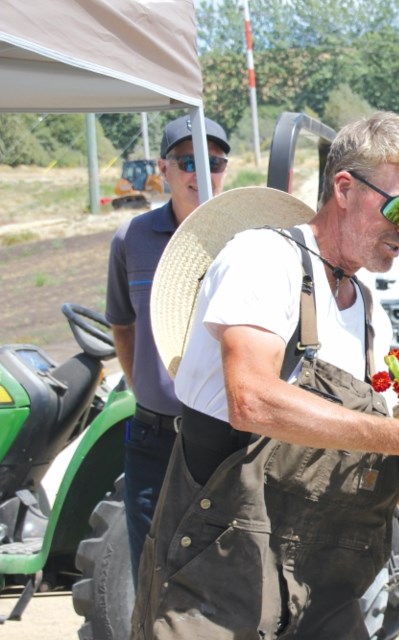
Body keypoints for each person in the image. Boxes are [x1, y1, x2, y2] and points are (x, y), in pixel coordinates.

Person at [131, 111, 399, 640]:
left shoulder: (370, 312)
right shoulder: (264, 259)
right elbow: (253, 400)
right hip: (219, 576)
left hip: (319, 585)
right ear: (345, 188)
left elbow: (355, 458)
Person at [104, 113, 230, 582]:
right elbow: (123, 326)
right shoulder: (131, 238)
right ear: (164, 169)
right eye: (188, 160)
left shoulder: (246, 240)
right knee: (151, 577)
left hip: (224, 436)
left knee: (223, 576)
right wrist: (149, 390)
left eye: (214, 161)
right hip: (153, 438)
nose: (203, 171)